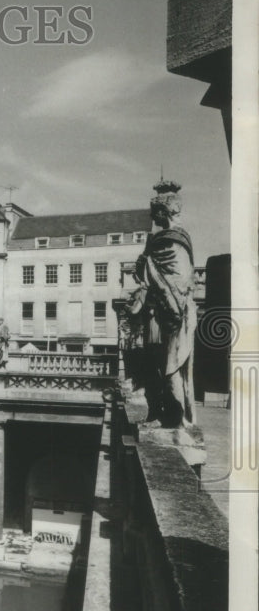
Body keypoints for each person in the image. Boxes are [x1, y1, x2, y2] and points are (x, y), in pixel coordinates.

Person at [127, 181, 197, 428]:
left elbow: (177, 278)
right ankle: (161, 414)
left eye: (154, 212)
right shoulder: (160, 241)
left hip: (173, 313)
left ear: (165, 211)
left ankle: (175, 421)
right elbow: (147, 273)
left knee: (171, 367)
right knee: (156, 366)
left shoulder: (174, 240)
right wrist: (145, 262)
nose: (151, 217)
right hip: (158, 315)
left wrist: (146, 264)